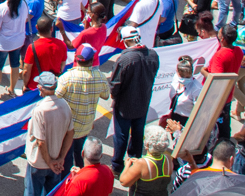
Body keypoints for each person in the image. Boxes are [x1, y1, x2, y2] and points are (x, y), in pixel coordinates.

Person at [109, 26, 159, 175]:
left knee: (121, 137)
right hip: (143, 103)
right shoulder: (153, 55)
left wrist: (115, 96)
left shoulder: (125, 59)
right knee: (138, 134)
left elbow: (115, 85)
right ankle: (135, 162)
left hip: (124, 105)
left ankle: (117, 166)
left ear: (125, 41)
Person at [56, 44, 111, 172]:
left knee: (66, 158)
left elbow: (55, 98)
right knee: (82, 157)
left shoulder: (67, 78)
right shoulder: (100, 77)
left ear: (76, 59)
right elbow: (106, 95)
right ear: (92, 60)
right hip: (85, 126)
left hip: (68, 128)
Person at [25, 72, 74, 196]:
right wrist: (61, 158)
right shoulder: (65, 105)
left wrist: (49, 162)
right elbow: (70, 133)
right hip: (57, 161)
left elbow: (41, 142)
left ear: (41, 88)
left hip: (39, 162)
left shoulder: (40, 110)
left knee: (32, 193)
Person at [116, 125, 173, 196]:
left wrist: (127, 165)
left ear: (147, 144)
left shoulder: (142, 164)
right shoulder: (168, 159)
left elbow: (123, 182)